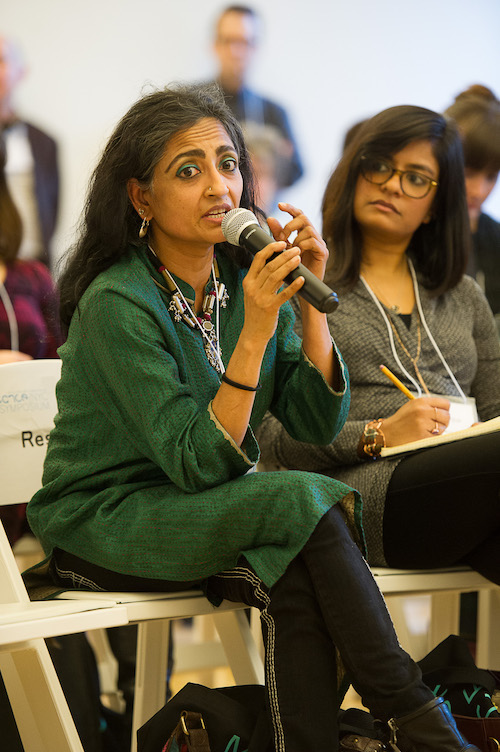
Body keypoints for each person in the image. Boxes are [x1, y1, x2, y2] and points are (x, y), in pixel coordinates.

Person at [26, 83, 479, 752]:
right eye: (190, 169)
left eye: (228, 163)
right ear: (140, 198)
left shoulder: (240, 279)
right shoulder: (118, 302)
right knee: (297, 501)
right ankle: (413, 715)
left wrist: (308, 311)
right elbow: (198, 463)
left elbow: (315, 421)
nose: (219, 186)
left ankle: (376, 730)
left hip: (202, 504)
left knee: (294, 545)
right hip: (105, 514)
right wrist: (256, 329)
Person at [257, 105, 500, 592]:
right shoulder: (304, 281)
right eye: (381, 166)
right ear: (355, 172)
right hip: (368, 497)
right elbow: (271, 442)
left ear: (437, 204)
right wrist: (381, 433)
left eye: (416, 178)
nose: (392, 184)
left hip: (471, 489)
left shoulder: (464, 297)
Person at [211, 5, 303, 192]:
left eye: (245, 42)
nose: (236, 52)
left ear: (255, 47)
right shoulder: (189, 103)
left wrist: (277, 162)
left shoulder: (274, 111)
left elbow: (296, 171)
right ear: (215, 45)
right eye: (229, 41)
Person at [0, 34, 59, 268]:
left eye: (1, 61)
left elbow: (51, 209)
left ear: (20, 72)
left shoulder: (44, 142)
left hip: (32, 268)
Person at [444, 84, 500, 324]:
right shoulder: (405, 232)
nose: (478, 191)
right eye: (468, 173)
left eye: (491, 176)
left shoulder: (495, 238)